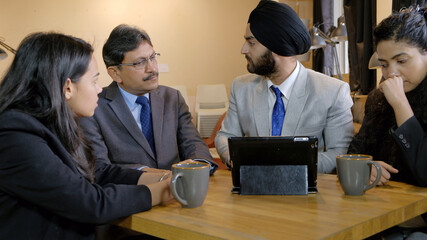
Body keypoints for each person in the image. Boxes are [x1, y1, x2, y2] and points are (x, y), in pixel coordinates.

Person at [0, 32, 173, 239]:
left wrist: (162, 177)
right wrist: (165, 190)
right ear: (68, 87)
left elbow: (97, 172)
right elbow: (90, 202)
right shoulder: (15, 134)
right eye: (94, 81)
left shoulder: (53, 124)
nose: (99, 89)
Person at [214, 0, 354, 173]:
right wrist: (237, 159)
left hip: (308, 195)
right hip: (252, 190)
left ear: (277, 45)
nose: (244, 50)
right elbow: (225, 137)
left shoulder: (333, 92)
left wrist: (285, 166)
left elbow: (340, 153)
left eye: (251, 42)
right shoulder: (241, 87)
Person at [79, 24, 217, 175]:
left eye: (153, 57)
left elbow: (193, 143)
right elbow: (99, 167)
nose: (152, 68)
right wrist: (151, 174)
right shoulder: (93, 107)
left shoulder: (172, 98)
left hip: (178, 192)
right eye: (140, 62)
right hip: (128, 194)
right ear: (115, 73)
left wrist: (197, 165)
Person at [348, 6, 427, 239]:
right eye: (384, 64)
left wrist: (401, 106)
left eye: (401, 61)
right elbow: (356, 152)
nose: (392, 73)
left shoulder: (394, 97)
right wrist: (367, 168)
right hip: (379, 214)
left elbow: (424, 172)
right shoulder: (378, 99)